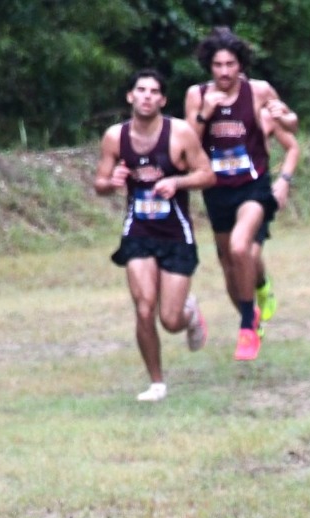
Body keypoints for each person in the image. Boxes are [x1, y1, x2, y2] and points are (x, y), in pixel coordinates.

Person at [93, 69, 217, 402]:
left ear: (162, 100)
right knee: (144, 307)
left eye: (154, 92)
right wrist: (113, 181)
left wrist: (177, 182)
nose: (147, 96)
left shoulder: (180, 133)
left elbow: (207, 174)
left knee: (170, 320)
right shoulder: (114, 138)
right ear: (130, 97)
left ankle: (189, 313)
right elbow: (100, 185)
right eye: (141, 90)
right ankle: (157, 383)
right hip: (138, 231)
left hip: (176, 232)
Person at [184, 26, 300, 362]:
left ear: (240, 65)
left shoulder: (259, 91)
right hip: (217, 189)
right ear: (209, 66)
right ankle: (258, 295)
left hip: (254, 186)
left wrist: (284, 178)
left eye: (230, 64)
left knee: (240, 246)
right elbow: (187, 142)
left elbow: (290, 125)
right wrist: (206, 110)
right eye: (218, 65)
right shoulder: (197, 94)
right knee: (231, 266)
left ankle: (249, 327)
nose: (223, 71)